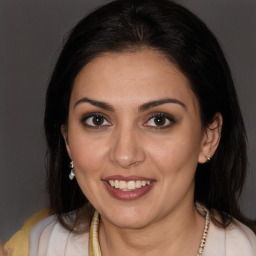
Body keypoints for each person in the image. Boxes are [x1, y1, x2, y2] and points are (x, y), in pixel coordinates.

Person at [4, 0, 256, 255]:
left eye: (158, 120)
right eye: (97, 120)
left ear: (208, 138)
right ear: (67, 138)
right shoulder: (31, 247)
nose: (124, 155)